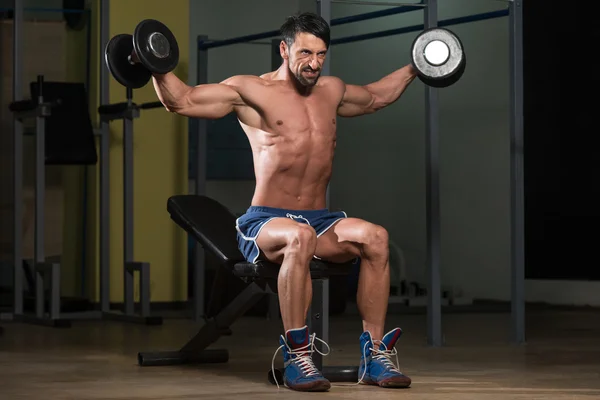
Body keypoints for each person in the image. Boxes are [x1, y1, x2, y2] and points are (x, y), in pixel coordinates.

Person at [152, 12, 416, 392]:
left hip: (321, 218)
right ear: (283, 48)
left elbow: (375, 97)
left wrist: (416, 66)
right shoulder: (250, 90)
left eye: (321, 54)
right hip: (266, 222)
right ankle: (297, 357)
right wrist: (157, 65)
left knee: (375, 237)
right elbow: (182, 101)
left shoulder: (331, 90)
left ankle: (375, 356)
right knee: (299, 238)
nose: (314, 63)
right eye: (305, 52)